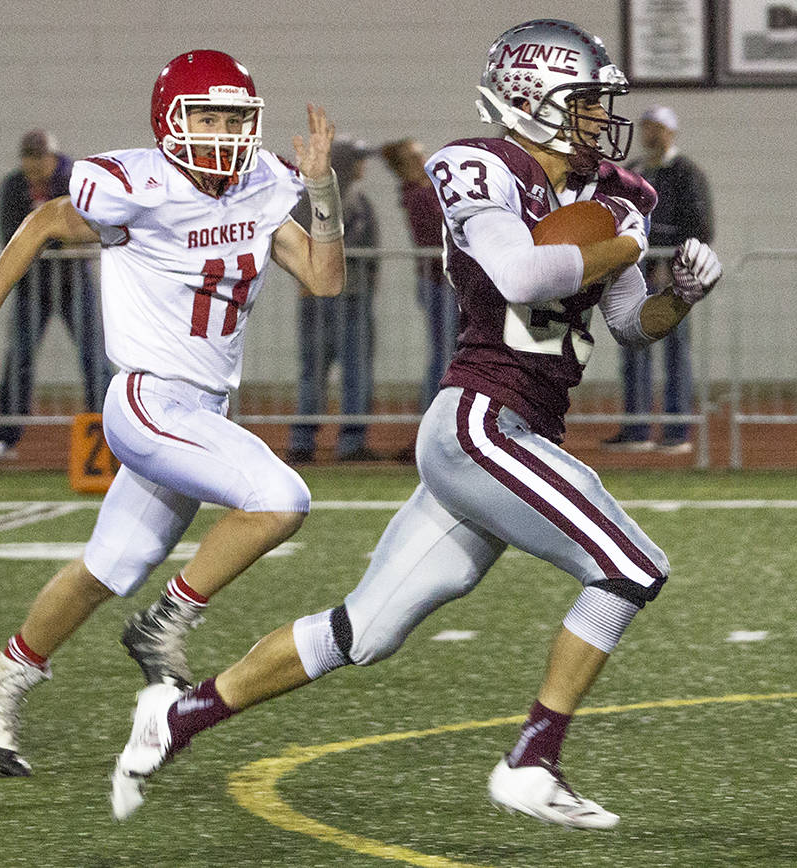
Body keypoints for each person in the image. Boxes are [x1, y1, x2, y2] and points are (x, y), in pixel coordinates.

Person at [108, 19, 722, 830]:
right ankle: (531, 763)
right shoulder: (477, 165)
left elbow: (632, 325)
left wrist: (677, 289)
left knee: (363, 630)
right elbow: (519, 271)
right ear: (529, 102)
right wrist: (627, 242)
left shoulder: (614, 196)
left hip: (521, 429)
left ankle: (178, 717)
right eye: (582, 103)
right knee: (630, 567)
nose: (599, 121)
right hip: (478, 422)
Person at [0, 50, 345, 777]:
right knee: (281, 498)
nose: (225, 133)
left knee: (107, 567)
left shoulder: (261, 186)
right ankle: (166, 626)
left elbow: (324, 277)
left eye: (235, 119)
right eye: (209, 118)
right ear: (170, 121)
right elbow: (41, 222)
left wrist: (322, 189)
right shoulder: (138, 185)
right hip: (149, 399)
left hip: (202, 409)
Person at [0, 129, 112, 462]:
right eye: (28, 157)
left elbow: (88, 229)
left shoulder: (74, 181)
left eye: (40, 157)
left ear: (53, 157)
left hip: (73, 282)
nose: (34, 164)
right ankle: (5, 437)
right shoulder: (13, 186)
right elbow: (13, 233)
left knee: (95, 358)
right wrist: (55, 238)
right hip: (31, 285)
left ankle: (112, 434)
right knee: (19, 360)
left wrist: (45, 238)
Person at [601, 105, 715, 455]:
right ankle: (636, 428)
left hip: (669, 278)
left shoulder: (687, 173)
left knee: (675, 351)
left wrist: (675, 262)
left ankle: (676, 429)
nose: (650, 134)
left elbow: (701, 227)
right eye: (646, 127)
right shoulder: (634, 171)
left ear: (671, 132)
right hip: (635, 276)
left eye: (657, 128)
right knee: (634, 349)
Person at [285, 136, 380, 463]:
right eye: (358, 159)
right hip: (319, 298)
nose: (362, 166)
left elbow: (373, 254)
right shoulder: (312, 200)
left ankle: (351, 443)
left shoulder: (360, 202)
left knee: (356, 371)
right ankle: (302, 440)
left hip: (353, 299)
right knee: (315, 371)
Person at [381, 137, 457, 413]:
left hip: (444, 282)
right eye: (416, 158)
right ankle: (432, 415)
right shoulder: (419, 195)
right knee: (445, 355)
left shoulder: (426, 191)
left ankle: (441, 415)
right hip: (440, 282)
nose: (424, 160)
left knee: (448, 353)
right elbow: (442, 231)